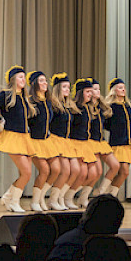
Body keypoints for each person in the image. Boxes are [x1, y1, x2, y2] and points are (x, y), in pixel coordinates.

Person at [0, 66, 36, 213]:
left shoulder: (24, 97)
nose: (23, 80)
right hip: (12, 137)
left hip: (25, 138)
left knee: (26, 174)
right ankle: (14, 201)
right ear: (13, 79)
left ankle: (8, 197)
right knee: (26, 173)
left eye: (24, 77)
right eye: (20, 77)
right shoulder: (5, 95)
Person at [45, 73, 79, 210]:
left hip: (67, 142)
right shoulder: (53, 104)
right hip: (55, 140)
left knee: (75, 170)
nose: (67, 90)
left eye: (68, 87)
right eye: (64, 87)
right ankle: (52, 199)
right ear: (58, 88)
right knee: (65, 171)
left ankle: (61, 197)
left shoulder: (68, 105)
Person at [25, 71, 54, 212]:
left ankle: (41, 197)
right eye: (41, 81)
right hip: (34, 141)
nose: (45, 83)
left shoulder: (47, 101)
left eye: (45, 81)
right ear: (34, 83)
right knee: (44, 170)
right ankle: (35, 201)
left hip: (46, 141)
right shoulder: (31, 101)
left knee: (56, 169)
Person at [84, 78, 118, 201]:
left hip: (101, 142)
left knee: (115, 165)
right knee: (97, 172)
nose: (98, 91)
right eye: (94, 89)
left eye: (98, 89)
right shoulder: (86, 107)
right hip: (90, 142)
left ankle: (100, 191)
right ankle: (83, 196)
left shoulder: (101, 107)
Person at [100, 78, 131, 197]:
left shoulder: (127, 106)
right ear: (114, 90)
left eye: (124, 87)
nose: (123, 89)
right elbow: (105, 124)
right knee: (121, 169)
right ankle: (102, 192)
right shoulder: (111, 106)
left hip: (128, 143)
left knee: (125, 173)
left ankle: (111, 195)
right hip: (117, 143)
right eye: (120, 88)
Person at [68, 79, 99, 209]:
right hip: (75, 143)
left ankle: (82, 198)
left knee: (94, 173)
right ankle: (68, 197)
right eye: (87, 92)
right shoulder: (74, 107)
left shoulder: (88, 107)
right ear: (80, 93)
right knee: (82, 173)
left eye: (91, 92)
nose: (90, 94)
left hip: (85, 143)